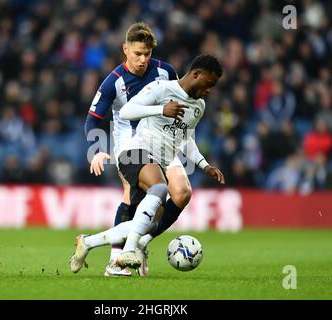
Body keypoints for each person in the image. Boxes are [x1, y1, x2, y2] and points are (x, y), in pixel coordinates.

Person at [71, 54, 225, 274]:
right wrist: (161, 109)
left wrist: (204, 164)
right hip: (134, 151)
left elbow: (185, 137)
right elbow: (126, 111)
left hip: (160, 160)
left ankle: (87, 242)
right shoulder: (162, 89)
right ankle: (129, 251)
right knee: (161, 189)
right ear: (196, 74)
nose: (210, 90)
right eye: (209, 83)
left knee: (149, 224)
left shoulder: (199, 106)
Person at [84, 22, 203, 277]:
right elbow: (93, 119)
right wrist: (96, 150)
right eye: (137, 53)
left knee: (181, 193)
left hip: (162, 141)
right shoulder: (113, 82)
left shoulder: (165, 72)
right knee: (132, 194)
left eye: (147, 54)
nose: (142, 59)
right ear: (125, 49)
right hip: (130, 143)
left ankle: (140, 243)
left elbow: (180, 106)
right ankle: (115, 260)